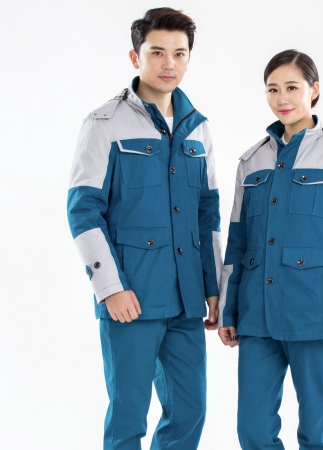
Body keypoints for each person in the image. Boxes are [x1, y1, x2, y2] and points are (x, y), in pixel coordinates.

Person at [67, 7, 222, 450]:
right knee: (128, 417)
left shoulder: (199, 129)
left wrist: (214, 288)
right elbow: (83, 210)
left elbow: (207, 215)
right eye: (157, 52)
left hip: (186, 299)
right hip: (130, 297)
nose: (169, 63)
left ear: (189, 58)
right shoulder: (104, 124)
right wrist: (109, 287)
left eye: (179, 53)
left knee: (189, 411)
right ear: (135, 57)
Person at [218, 49, 323, 449]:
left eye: (292, 87)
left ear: (314, 90)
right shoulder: (251, 161)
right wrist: (229, 307)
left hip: (315, 311)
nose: (282, 98)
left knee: (317, 432)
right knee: (252, 431)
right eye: (272, 89)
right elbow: (238, 242)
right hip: (257, 314)